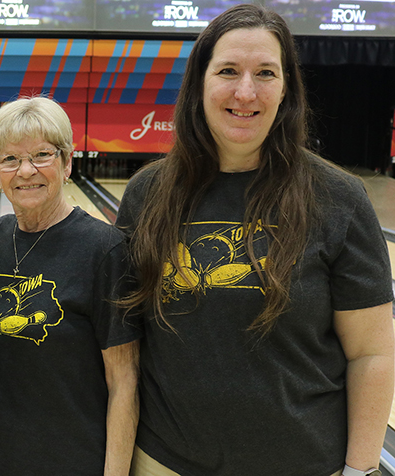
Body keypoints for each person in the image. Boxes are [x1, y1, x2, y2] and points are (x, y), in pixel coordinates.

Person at [115, 4, 394, 476]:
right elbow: (125, 342)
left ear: (286, 90)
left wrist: (360, 469)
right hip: (165, 462)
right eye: (228, 71)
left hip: (304, 462)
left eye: (265, 72)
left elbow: (372, 353)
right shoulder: (149, 193)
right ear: (199, 83)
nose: (246, 91)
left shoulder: (338, 197)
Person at [0, 97, 141, 476]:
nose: (26, 170)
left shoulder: (104, 249)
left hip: (70, 459)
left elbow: (124, 382)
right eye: (9, 159)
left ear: (67, 162)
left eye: (42, 154)